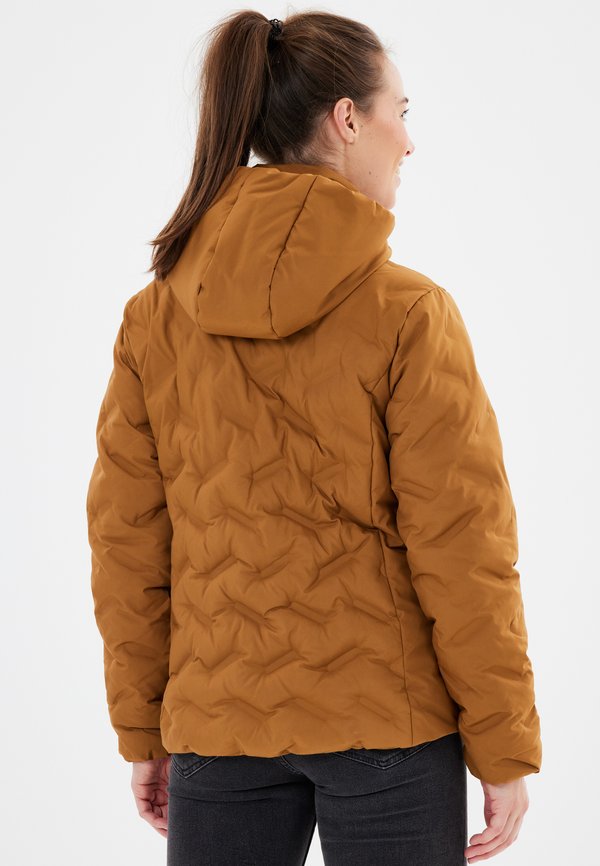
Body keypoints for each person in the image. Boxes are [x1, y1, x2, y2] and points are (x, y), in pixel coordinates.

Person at [85, 10, 542, 866]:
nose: (409, 141)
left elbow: (128, 543)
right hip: (389, 726)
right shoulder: (409, 312)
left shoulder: (155, 318)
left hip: (216, 726)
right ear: (346, 120)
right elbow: (462, 544)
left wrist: (142, 727)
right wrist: (503, 742)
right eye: (400, 112)